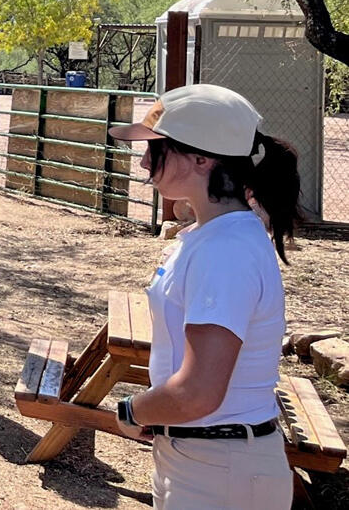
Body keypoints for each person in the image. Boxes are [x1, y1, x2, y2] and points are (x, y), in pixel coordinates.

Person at [109, 84, 298, 509]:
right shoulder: (212, 235)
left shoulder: (225, 250)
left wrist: (131, 412)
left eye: (156, 149)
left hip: (219, 468)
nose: (143, 161)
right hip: (200, 458)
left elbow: (197, 393)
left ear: (200, 158)